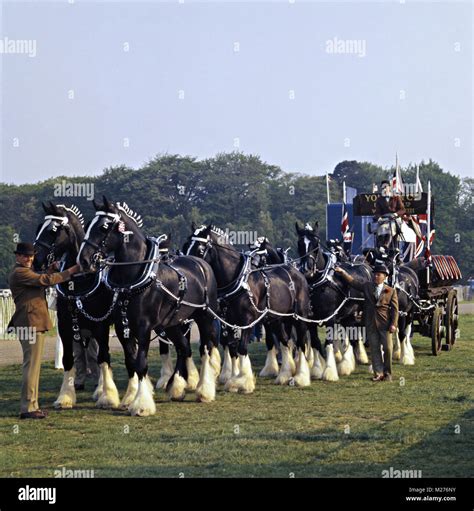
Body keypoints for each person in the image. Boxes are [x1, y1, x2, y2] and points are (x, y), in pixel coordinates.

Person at [8, 242, 80, 419]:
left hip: (30, 323)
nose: (29, 258)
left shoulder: (24, 272)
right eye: (25, 256)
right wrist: (70, 271)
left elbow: (40, 279)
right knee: (31, 366)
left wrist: (49, 270)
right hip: (30, 324)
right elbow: (45, 281)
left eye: (31, 256)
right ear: (17, 256)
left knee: (32, 366)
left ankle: (32, 405)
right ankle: (28, 408)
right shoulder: (20, 272)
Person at [334, 263, 399, 382]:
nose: (375, 277)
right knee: (374, 349)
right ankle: (378, 373)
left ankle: (387, 373)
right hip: (370, 324)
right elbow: (353, 282)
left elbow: (395, 310)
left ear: (384, 277)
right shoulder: (367, 286)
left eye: (378, 275)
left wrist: (394, 324)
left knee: (388, 348)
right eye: (375, 274)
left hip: (385, 325)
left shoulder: (391, 291)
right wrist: (343, 272)